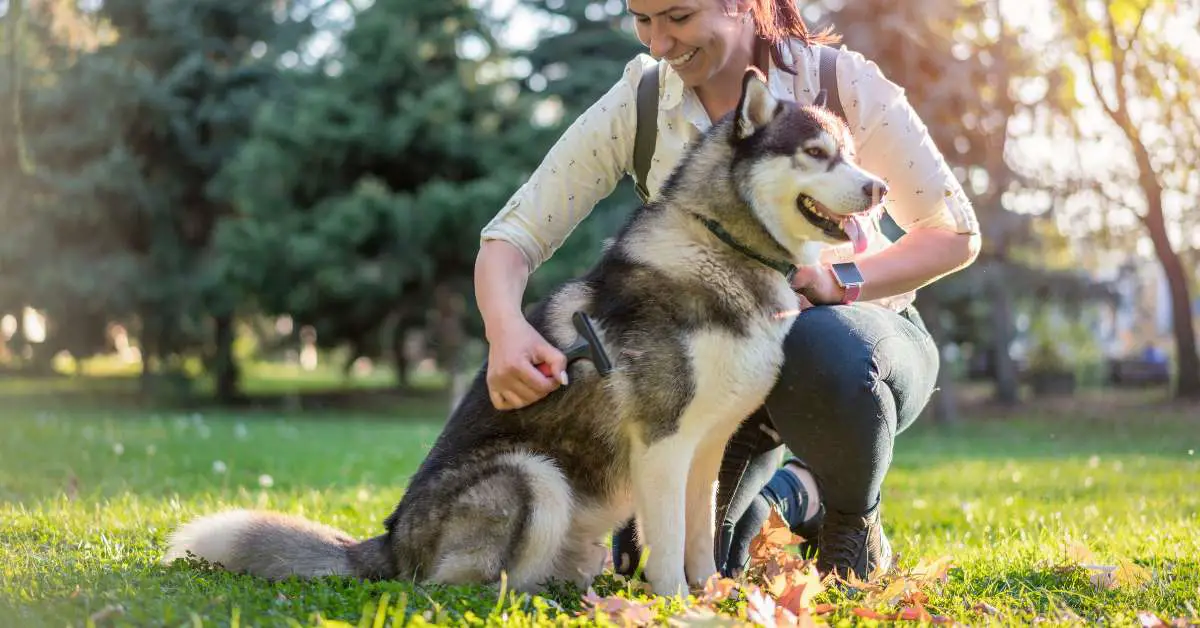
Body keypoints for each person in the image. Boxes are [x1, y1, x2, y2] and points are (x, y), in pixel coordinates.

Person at [473, 0, 981, 580]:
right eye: (642, 20)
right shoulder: (642, 101)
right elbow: (511, 238)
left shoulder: (841, 81)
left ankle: (851, 518)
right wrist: (504, 329)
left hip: (857, 351)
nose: (658, 43)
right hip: (714, 365)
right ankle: (794, 495)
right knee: (674, 559)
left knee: (823, 344)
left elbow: (954, 233)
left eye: (678, 17)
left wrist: (836, 280)